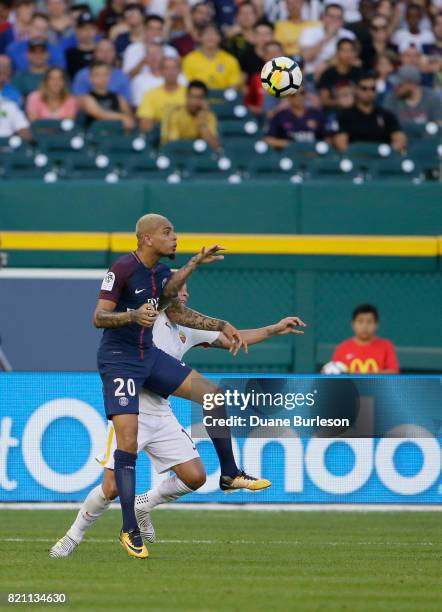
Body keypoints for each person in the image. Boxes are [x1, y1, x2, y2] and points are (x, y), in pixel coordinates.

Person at [49, 281, 304, 557]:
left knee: (195, 476)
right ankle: (72, 536)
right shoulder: (148, 314)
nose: (185, 293)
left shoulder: (189, 328)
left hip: (160, 409)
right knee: (109, 488)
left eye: (187, 289)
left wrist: (274, 329)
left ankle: (144, 504)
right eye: (180, 287)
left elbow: (234, 337)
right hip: (129, 408)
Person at [87, 214, 276, 558]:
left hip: (148, 357)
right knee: (127, 443)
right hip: (120, 361)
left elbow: (176, 309)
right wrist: (131, 316)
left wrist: (199, 277)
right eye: (167, 232)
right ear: (146, 238)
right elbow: (98, 317)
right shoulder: (123, 268)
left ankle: (230, 474)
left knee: (213, 395)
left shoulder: (160, 274)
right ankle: (129, 528)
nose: (174, 237)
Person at [334, 71, 406, 152]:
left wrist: (388, 151)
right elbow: (341, 144)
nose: (369, 92)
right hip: (356, 159)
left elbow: (400, 139)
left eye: (373, 88)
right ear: (355, 90)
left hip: (382, 160)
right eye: (364, 88)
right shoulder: (344, 115)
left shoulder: (387, 115)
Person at [330, 304, 399, 374]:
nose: (364, 326)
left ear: (376, 325)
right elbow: (334, 371)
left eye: (369, 321)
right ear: (353, 324)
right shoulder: (342, 348)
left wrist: (366, 376)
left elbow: (394, 372)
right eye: (360, 321)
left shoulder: (386, 346)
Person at [299, 3, 356, 78]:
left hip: (340, 74)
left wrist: (327, 63)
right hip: (312, 74)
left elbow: (352, 58)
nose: (334, 20)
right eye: (331, 16)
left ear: (342, 20)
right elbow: (305, 56)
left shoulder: (349, 35)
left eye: (338, 17)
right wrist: (328, 36)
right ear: (324, 17)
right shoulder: (310, 32)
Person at [161, 79, 218, 149]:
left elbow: (215, 147)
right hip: (180, 154)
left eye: (200, 97)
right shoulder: (176, 114)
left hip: (200, 156)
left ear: (205, 99)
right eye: (193, 97)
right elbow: (173, 145)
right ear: (187, 97)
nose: (195, 101)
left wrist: (202, 123)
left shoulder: (209, 116)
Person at [182, 23, 241, 90]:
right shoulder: (189, 59)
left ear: (220, 38)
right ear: (200, 37)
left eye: (214, 34)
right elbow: (186, 84)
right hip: (197, 98)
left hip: (222, 99)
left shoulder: (231, 60)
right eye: (206, 34)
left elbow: (234, 85)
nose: (210, 37)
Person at [72, 38, 131, 103]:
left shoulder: (122, 77)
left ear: (115, 53)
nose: (105, 54)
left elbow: (126, 103)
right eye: (101, 51)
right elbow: (79, 102)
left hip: (116, 111)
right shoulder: (82, 75)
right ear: (94, 54)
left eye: (109, 50)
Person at [383, 64, 442, 129]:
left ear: (412, 84)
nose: (395, 88)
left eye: (399, 85)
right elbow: (385, 124)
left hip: (428, 138)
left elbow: (439, 124)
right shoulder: (391, 98)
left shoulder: (432, 98)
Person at [122, 14, 178, 80]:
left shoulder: (171, 51)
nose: (155, 33)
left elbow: (176, 75)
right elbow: (126, 78)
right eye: (151, 28)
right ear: (144, 30)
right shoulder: (132, 49)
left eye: (158, 29)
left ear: (162, 31)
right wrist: (143, 62)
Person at [80, 61, 134, 130]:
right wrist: (122, 117)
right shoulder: (87, 98)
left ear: (110, 76)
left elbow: (128, 114)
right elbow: (99, 114)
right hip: (94, 135)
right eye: (98, 75)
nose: (102, 78)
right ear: (91, 78)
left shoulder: (118, 97)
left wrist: (127, 118)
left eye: (105, 74)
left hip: (115, 133)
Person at [137, 56, 186, 132]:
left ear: (180, 70)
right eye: (167, 68)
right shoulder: (150, 95)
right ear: (161, 71)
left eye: (174, 68)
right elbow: (145, 124)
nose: (171, 72)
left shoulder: (189, 94)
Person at [317, 37, 361, 110]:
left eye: (351, 50)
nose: (348, 54)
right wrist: (339, 102)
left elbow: (365, 94)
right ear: (337, 52)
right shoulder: (328, 74)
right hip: (334, 112)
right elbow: (324, 100)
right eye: (344, 50)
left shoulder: (358, 72)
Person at [65, 11, 97, 80]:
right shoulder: (70, 53)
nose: (88, 32)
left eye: (91, 28)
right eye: (83, 29)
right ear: (77, 30)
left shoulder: (101, 51)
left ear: (95, 30)